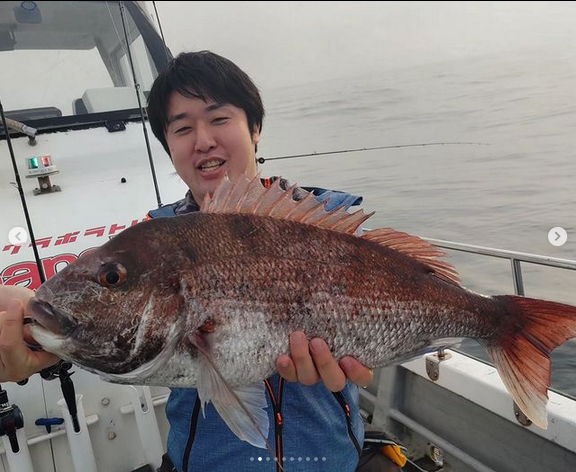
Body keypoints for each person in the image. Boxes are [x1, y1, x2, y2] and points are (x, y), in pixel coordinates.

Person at [0, 51, 380, 471]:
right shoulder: (152, 238)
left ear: (255, 128)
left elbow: (389, 289)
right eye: (182, 128)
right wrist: (27, 334)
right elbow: (108, 314)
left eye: (219, 119)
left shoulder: (327, 218)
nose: (203, 140)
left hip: (329, 460)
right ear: (169, 146)